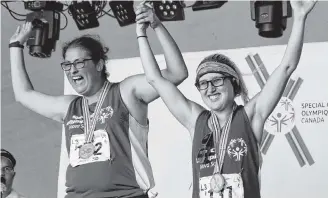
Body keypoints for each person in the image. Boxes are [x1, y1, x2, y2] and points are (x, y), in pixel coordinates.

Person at [137, 1, 317, 198]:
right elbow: (155, 78)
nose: (210, 88)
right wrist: (148, 29)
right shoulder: (195, 120)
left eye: (216, 80)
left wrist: (299, 17)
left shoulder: (250, 116)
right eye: (203, 83)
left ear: (234, 83)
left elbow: (286, 68)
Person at [9, 2, 188, 198]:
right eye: (67, 65)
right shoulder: (70, 107)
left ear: (99, 64)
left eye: (79, 63)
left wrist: (156, 25)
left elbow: (176, 73)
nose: (72, 70)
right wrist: (15, 46)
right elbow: (23, 95)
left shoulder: (126, 92)